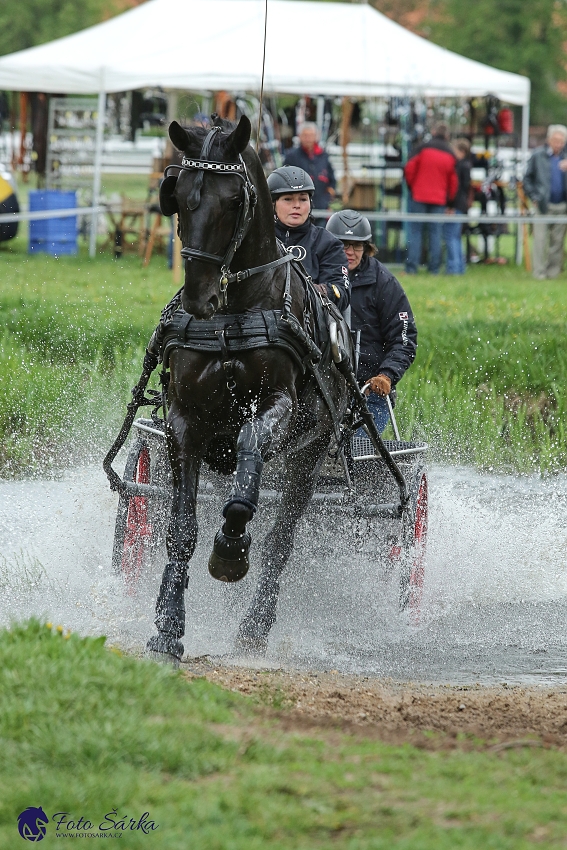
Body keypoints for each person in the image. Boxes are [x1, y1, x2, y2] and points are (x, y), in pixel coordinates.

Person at [326, 210, 417, 433]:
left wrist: (386, 375)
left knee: (357, 451)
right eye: (342, 245)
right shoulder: (316, 278)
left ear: (366, 248)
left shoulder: (384, 283)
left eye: (356, 245)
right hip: (322, 390)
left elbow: (404, 339)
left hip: (369, 393)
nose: (349, 252)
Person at [267, 165, 350, 311]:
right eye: (288, 199)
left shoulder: (328, 243)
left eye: (303, 199)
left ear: (310, 204)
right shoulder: (259, 241)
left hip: (311, 323)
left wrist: (310, 291)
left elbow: (341, 292)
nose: (297, 205)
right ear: (272, 204)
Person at [404, 123, 458, 275]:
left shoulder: (422, 149)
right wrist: (450, 201)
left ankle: (411, 268)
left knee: (415, 232)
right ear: (447, 136)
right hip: (439, 199)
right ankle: (434, 269)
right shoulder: (450, 154)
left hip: (419, 195)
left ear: (433, 132)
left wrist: (412, 187)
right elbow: (453, 182)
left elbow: (409, 168)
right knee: (435, 233)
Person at [523, 124, 567, 280]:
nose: (559, 144)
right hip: (543, 204)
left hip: (562, 205)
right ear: (549, 139)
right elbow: (527, 178)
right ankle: (539, 273)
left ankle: (553, 273)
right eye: (556, 140)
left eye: (562, 141)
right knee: (540, 240)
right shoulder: (538, 155)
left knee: (558, 241)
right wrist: (534, 196)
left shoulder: (565, 157)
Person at [283, 122, 336, 213]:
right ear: (300, 136)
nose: (308, 138)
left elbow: (331, 179)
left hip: (321, 206)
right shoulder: (291, 156)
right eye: (305, 135)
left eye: (311, 135)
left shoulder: (323, 155)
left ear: (316, 136)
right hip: (298, 208)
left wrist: (328, 196)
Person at [443, 138, 472, 275]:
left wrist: (450, 205)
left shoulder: (459, 166)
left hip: (456, 206)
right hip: (462, 205)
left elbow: (456, 189)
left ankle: (453, 268)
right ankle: (460, 267)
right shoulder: (467, 165)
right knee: (456, 236)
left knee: (450, 236)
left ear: (461, 151)